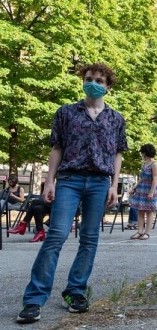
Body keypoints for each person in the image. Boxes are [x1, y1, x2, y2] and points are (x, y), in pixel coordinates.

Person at [16, 63, 127, 324]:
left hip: (100, 182)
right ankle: (33, 299)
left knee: (89, 239)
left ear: (108, 85)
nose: (93, 83)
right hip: (69, 179)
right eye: (89, 79)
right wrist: (49, 181)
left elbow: (117, 154)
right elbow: (57, 147)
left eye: (100, 80)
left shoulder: (116, 119)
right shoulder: (66, 113)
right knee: (56, 235)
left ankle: (76, 291)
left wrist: (114, 185)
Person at [128, 144, 157, 240]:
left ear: (145, 153)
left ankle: (147, 233)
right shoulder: (144, 164)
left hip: (150, 189)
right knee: (140, 210)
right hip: (141, 189)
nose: (141, 154)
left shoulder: (155, 164)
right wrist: (134, 188)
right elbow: (141, 178)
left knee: (149, 212)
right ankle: (139, 231)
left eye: (142, 152)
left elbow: (155, 179)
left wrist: (151, 192)